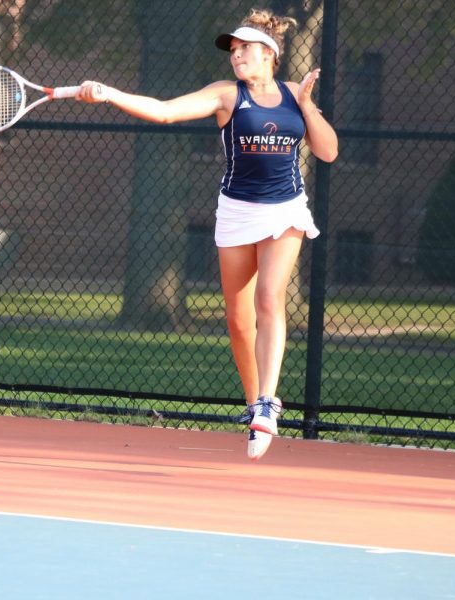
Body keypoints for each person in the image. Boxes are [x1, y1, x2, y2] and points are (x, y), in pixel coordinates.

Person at [76, 9, 338, 460]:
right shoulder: (225, 96)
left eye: (245, 50)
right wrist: (109, 93)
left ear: (270, 54)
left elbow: (328, 151)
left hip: (285, 211)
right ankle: (252, 402)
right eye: (232, 51)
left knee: (270, 299)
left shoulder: (297, 95)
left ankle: (266, 405)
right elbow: (163, 113)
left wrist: (309, 106)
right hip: (237, 212)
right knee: (239, 322)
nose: (236, 57)